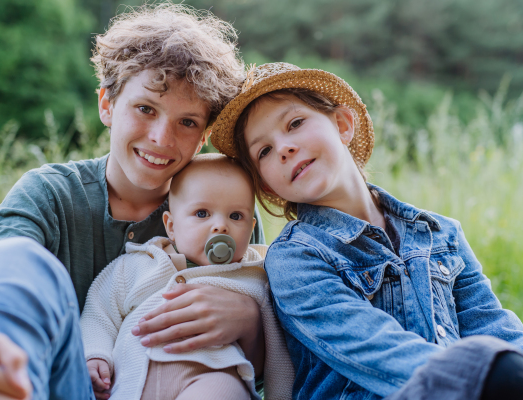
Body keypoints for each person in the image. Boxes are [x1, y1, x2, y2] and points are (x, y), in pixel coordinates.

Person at [0, 5, 268, 400]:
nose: (161, 137)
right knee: (22, 257)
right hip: (59, 385)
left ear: (203, 135)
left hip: (182, 387)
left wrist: (250, 324)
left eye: (187, 122)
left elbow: (250, 371)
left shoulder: (226, 211)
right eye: (145, 109)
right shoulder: (50, 193)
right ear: (107, 105)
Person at [209, 62, 523, 400]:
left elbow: (494, 327)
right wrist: (489, 374)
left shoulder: (440, 233)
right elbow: (380, 352)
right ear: (268, 187)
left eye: (295, 123)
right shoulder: (296, 258)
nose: (284, 148)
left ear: (343, 125)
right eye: (264, 151)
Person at [80, 154, 294, 400]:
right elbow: (99, 310)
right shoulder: (140, 263)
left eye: (236, 216)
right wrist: (95, 354)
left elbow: (280, 350)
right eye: (202, 213)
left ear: (251, 227)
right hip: (129, 384)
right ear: (171, 226)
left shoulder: (256, 277)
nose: (220, 226)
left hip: (212, 378)